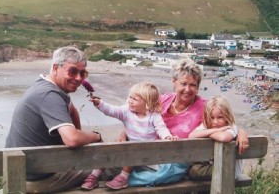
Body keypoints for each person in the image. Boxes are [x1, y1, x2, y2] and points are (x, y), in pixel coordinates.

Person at [125, 58, 249, 187]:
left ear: (198, 87)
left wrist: (241, 132)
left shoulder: (204, 107)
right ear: (174, 82)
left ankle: (129, 181)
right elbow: (137, 115)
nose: (187, 89)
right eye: (183, 83)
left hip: (178, 164)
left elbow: (223, 122)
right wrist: (124, 133)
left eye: (193, 85)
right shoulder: (161, 100)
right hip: (150, 157)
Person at [5, 46, 102, 193]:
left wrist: (79, 133)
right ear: (56, 68)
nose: (79, 78)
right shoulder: (49, 95)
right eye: (73, 71)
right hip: (37, 180)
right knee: (107, 167)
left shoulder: (45, 86)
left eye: (83, 73)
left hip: (24, 170)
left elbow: (72, 109)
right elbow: (72, 140)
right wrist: (95, 136)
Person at [80, 82, 179, 190]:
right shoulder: (127, 111)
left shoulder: (154, 117)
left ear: (148, 103)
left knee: (131, 150)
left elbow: (161, 129)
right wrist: (99, 103)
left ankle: (123, 177)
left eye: (135, 99)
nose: (130, 101)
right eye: (130, 97)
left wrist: (167, 136)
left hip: (145, 151)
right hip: (129, 147)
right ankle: (94, 175)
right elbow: (112, 110)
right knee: (110, 150)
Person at [188, 95, 244, 180]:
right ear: (206, 117)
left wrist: (206, 133)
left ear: (227, 116)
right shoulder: (208, 126)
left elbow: (223, 137)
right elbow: (191, 136)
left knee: (194, 171)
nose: (215, 122)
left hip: (230, 171)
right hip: (217, 167)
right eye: (211, 118)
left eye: (220, 117)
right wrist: (216, 130)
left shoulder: (231, 127)